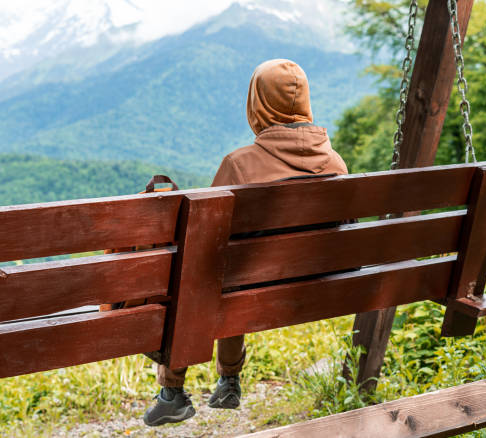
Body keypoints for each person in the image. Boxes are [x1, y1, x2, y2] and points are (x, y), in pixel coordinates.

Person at [143, 59, 348, 427]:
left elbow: (201, 241)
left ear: (258, 104)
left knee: (200, 274)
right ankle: (228, 382)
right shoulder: (335, 163)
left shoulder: (239, 166)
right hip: (311, 285)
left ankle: (172, 391)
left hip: (248, 286)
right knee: (234, 272)